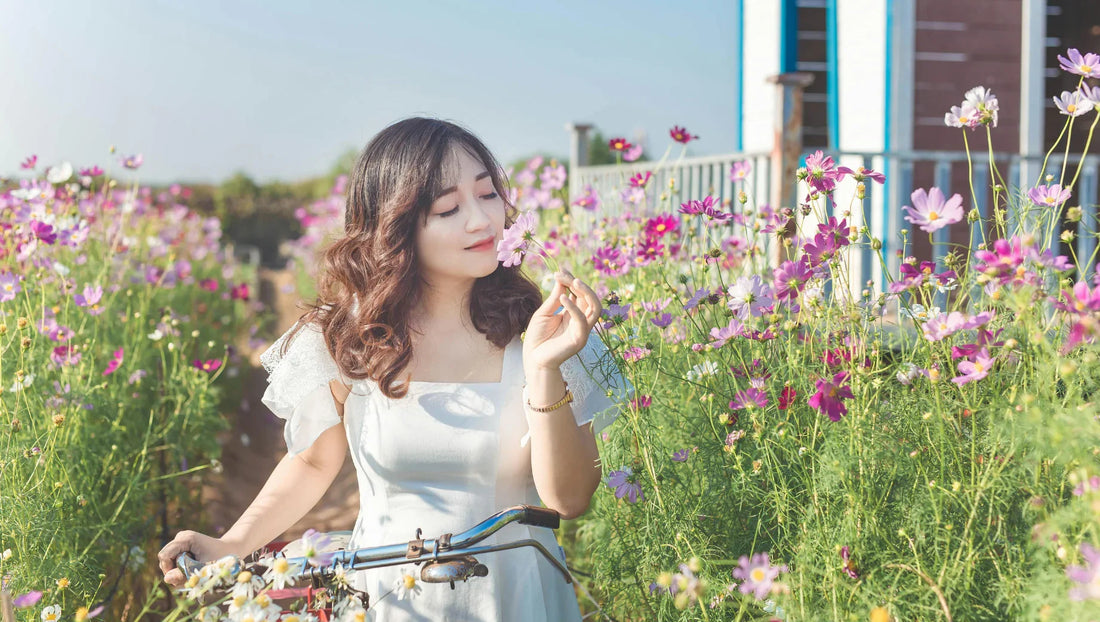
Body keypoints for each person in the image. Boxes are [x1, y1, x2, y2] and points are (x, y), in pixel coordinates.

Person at [157, 117, 633, 620]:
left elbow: (569, 498)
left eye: (488, 194)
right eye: (449, 207)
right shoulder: (347, 338)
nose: (482, 221)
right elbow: (313, 462)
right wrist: (231, 543)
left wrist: (542, 370)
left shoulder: (542, 334)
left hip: (519, 596)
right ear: (396, 226)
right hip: (390, 596)